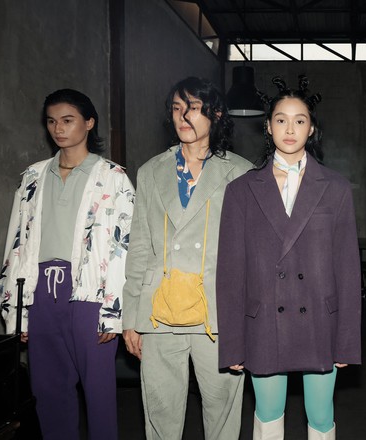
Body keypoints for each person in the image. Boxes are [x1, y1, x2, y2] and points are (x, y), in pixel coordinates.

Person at [215, 75, 361, 440]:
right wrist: (232, 343)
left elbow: (347, 270)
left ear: (312, 128)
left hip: (320, 321)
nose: (290, 129)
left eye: (300, 120)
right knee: (267, 414)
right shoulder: (241, 190)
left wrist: (346, 339)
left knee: (321, 415)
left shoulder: (336, 188)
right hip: (264, 320)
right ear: (268, 126)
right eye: (281, 119)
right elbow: (231, 273)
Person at [0, 89, 134, 440]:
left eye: (68, 120)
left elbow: (123, 248)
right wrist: (17, 311)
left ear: (89, 123)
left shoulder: (113, 176)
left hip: (90, 292)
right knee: (49, 391)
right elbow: (16, 243)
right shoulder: (33, 176)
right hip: (41, 292)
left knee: (99, 393)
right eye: (52, 121)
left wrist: (114, 311)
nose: (58, 128)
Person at [122, 77, 251, 440]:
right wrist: (131, 319)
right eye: (177, 108)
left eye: (193, 107)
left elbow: (251, 253)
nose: (183, 116)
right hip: (158, 312)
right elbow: (139, 248)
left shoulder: (241, 173)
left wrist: (247, 322)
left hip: (218, 312)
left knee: (222, 414)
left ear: (216, 114)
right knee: (160, 413)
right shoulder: (150, 171)